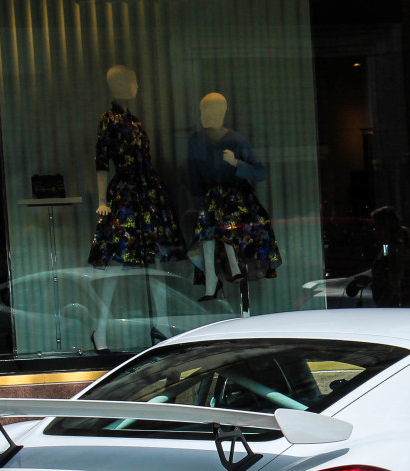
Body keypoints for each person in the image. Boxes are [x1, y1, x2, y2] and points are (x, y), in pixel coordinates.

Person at [187, 92, 282, 312]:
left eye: (208, 110)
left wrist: (235, 163)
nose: (204, 116)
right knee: (207, 235)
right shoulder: (197, 141)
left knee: (227, 227)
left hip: (236, 199)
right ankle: (211, 282)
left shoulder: (236, 140)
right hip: (211, 200)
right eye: (202, 111)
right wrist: (197, 202)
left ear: (221, 112)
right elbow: (194, 175)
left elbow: (260, 171)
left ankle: (233, 269)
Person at [87, 65, 184, 268]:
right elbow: (102, 160)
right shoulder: (108, 121)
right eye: (132, 81)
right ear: (117, 85)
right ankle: (105, 300)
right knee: (120, 247)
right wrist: (102, 200)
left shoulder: (135, 122)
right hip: (126, 191)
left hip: (148, 191)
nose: (136, 86)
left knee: (154, 251)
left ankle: (160, 301)